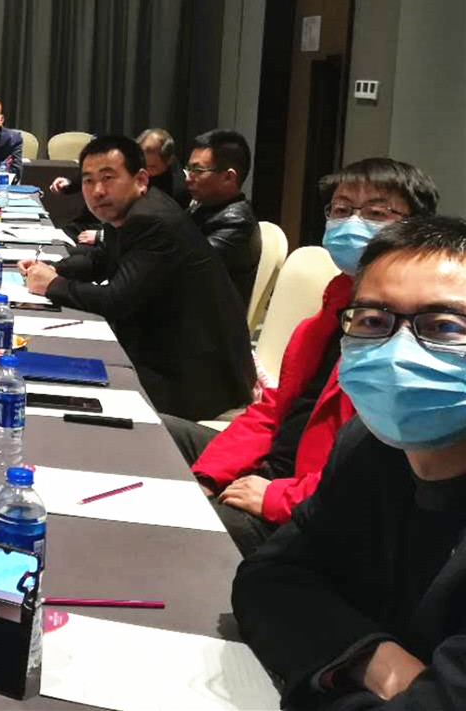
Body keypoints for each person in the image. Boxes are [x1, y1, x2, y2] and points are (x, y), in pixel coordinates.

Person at [233, 215, 466, 711]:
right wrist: (377, 661)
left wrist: (325, 656)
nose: (398, 353)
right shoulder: (367, 444)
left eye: (444, 326)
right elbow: (266, 579)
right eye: (373, 322)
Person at [165, 158, 439, 556]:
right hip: (273, 466)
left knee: (174, 530)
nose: (353, 223)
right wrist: (210, 474)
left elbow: (376, 475)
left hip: (309, 507)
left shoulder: (407, 346)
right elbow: (275, 410)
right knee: (151, 432)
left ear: (417, 229)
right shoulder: (324, 317)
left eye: (376, 213)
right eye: (342, 210)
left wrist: (278, 497)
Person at [19, 134, 253, 420]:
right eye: (89, 180)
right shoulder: (131, 209)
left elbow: (116, 300)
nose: (97, 191)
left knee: (52, 388)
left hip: (191, 378)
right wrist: (54, 269)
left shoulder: (151, 220)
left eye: (108, 178)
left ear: (141, 179)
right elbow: (102, 260)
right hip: (166, 352)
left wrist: (53, 285)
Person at [51, 127, 188, 243]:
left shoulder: (177, 190)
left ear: (168, 161)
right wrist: (69, 185)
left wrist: (102, 236)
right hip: (103, 223)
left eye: (151, 167)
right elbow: (98, 173)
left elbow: (156, 233)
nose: (98, 191)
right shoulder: (129, 157)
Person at [184, 129, 262, 306]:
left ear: (228, 177)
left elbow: (186, 265)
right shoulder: (204, 206)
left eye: (198, 170)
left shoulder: (237, 223)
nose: (188, 178)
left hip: (209, 318)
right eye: (188, 169)